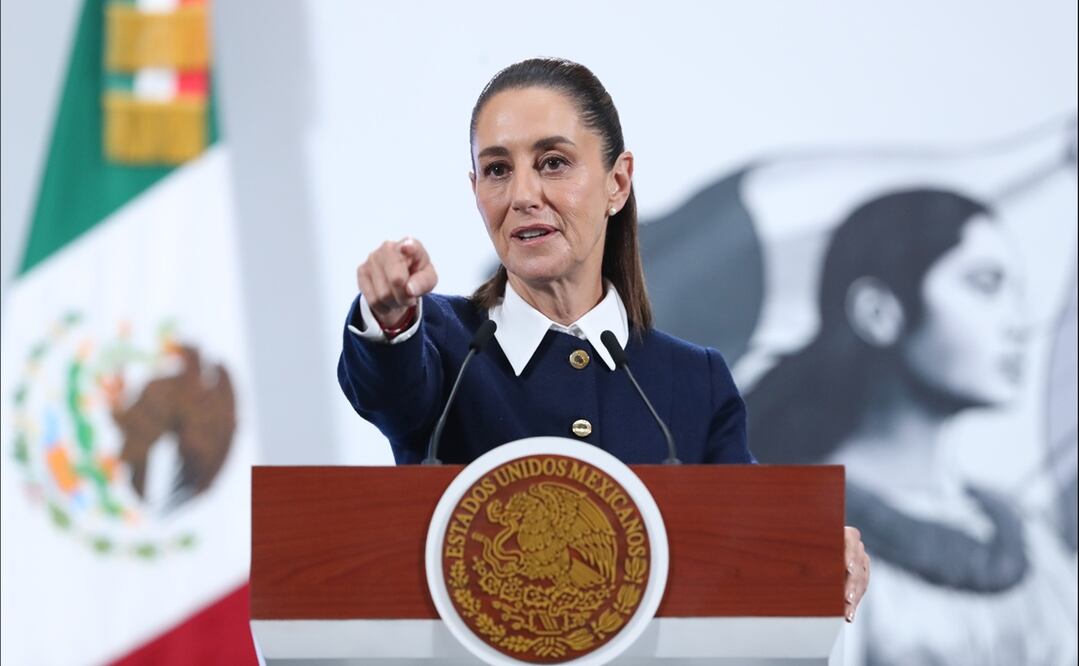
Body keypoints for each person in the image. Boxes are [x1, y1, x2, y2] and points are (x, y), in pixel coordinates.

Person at [337, 57, 869, 620]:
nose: (522, 194)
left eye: (553, 162)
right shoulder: (444, 344)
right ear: (475, 190)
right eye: (496, 170)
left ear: (617, 183)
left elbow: (753, 531)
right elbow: (387, 387)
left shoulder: (693, 380)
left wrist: (816, 546)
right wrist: (390, 317)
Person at [745, 188, 1079, 664]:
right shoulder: (787, 536)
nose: (1019, 322)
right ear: (879, 312)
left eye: (1017, 293)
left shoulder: (1027, 538)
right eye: (986, 285)